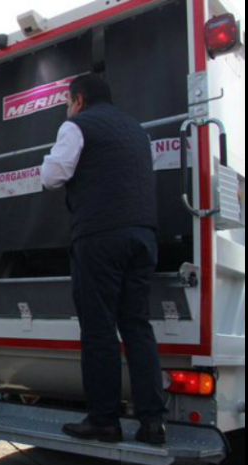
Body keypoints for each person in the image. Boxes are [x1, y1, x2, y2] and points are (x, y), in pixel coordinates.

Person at [39, 73, 166, 445]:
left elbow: (52, 176)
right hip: (143, 236)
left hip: (100, 237)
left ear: (78, 99)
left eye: (67, 101)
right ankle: (153, 422)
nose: (66, 107)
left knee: (99, 330)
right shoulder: (137, 130)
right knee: (137, 326)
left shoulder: (76, 126)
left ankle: (104, 421)